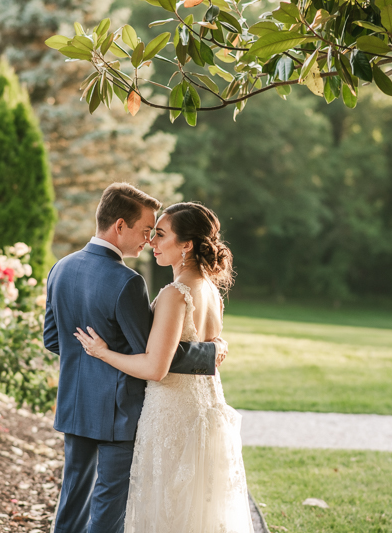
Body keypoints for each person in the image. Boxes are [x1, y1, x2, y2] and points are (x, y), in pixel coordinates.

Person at [44, 184, 228, 533]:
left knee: (72, 502)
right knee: (108, 510)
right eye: (146, 231)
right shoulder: (127, 282)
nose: (148, 240)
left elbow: (55, 339)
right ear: (119, 226)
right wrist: (211, 351)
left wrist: (90, 358)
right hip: (119, 413)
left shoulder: (61, 268)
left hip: (75, 405)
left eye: (156, 233)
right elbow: (152, 353)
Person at [75, 202, 254, 533]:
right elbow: (206, 350)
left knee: (168, 508)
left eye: (160, 234)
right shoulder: (211, 290)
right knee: (196, 508)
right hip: (205, 408)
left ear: (186, 244)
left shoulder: (176, 294)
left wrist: (102, 352)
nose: (151, 242)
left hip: (172, 411)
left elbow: (156, 368)